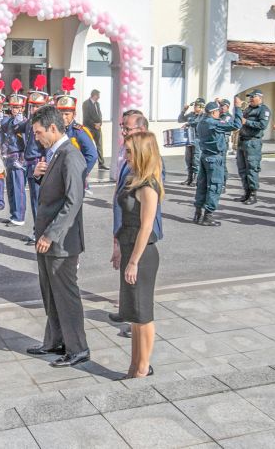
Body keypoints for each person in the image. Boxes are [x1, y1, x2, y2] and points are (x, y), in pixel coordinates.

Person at [25, 105, 90, 368]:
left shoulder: (70, 156)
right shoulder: (55, 154)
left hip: (61, 242)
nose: (36, 137)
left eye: (39, 132)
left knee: (66, 296)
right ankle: (55, 341)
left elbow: (73, 201)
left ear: (53, 128)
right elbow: (57, 194)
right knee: (50, 294)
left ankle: (78, 348)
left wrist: (51, 234)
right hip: (47, 239)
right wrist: (39, 177)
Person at [109, 110, 165, 329]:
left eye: (128, 128)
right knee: (127, 279)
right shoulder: (127, 160)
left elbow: (148, 214)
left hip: (140, 227)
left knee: (139, 286)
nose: (123, 132)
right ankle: (127, 312)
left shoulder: (149, 167)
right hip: (126, 225)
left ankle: (137, 323)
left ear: (142, 130)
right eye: (123, 127)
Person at [113, 131, 163, 379]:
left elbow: (146, 227)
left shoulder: (148, 186)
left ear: (143, 153)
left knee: (143, 315)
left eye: (130, 151)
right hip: (129, 248)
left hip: (142, 256)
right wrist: (119, 249)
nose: (126, 155)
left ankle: (143, 367)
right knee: (133, 315)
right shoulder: (133, 178)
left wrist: (133, 261)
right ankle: (133, 365)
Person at [194, 101, 241, 226]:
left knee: (202, 185)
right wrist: (238, 108)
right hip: (214, 158)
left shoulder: (201, 123)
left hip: (204, 157)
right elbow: (236, 124)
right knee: (215, 186)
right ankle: (208, 216)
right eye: (218, 111)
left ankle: (197, 212)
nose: (219, 113)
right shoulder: (213, 123)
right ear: (213, 112)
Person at [21, 90, 48, 245]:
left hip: (38, 163)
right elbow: (16, 128)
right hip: (30, 163)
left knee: (39, 200)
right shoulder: (31, 121)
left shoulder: (43, 124)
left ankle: (40, 232)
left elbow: (46, 146)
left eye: (37, 106)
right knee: (34, 199)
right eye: (32, 106)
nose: (33, 109)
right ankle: (36, 229)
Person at [237, 89, 271, 205]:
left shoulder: (263, 110)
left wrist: (246, 122)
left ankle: (253, 194)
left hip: (252, 142)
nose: (250, 99)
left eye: (253, 97)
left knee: (252, 169)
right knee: (242, 169)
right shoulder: (248, 108)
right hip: (242, 141)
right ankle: (246, 192)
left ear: (260, 98)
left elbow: (262, 125)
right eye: (250, 97)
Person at [56, 94, 98, 181]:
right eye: (61, 114)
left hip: (73, 177)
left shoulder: (79, 132)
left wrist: (81, 173)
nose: (63, 117)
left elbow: (92, 155)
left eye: (67, 114)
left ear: (74, 114)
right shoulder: (57, 130)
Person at [1, 92, 28, 226]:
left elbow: (26, 143)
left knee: (18, 189)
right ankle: (13, 214)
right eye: (12, 107)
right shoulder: (10, 120)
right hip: (9, 157)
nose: (14, 110)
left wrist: (22, 161)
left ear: (22, 108)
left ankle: (19, 217)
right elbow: (3, 129)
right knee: (11, 188)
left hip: (18, 157)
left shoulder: (25, 122)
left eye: (17, 107)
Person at [177, 98, 205, 186]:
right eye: (195, 105)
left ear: (201, 106)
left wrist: (188, 124)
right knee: (188, 159)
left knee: (196, 160)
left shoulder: (203, 115)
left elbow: (197, 122)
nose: (195, 107)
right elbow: (180, 120)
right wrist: (183, 111)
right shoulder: (191, 114)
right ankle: (189, 178)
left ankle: (196, 179)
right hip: (189, 139)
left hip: (198, 139)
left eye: (197, 105)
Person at [82, 89, 107, 170]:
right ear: (94, 95)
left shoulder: (97, 104)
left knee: (99, 145)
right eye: (98, 95)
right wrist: (94, 124)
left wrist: (100, 123)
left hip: (98, 128)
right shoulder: (86, 103)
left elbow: (100, 115)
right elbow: (86, 117)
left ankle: (101, 163)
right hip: (89, 128)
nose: (99, 97)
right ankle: (85, 163)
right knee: (87, 145)